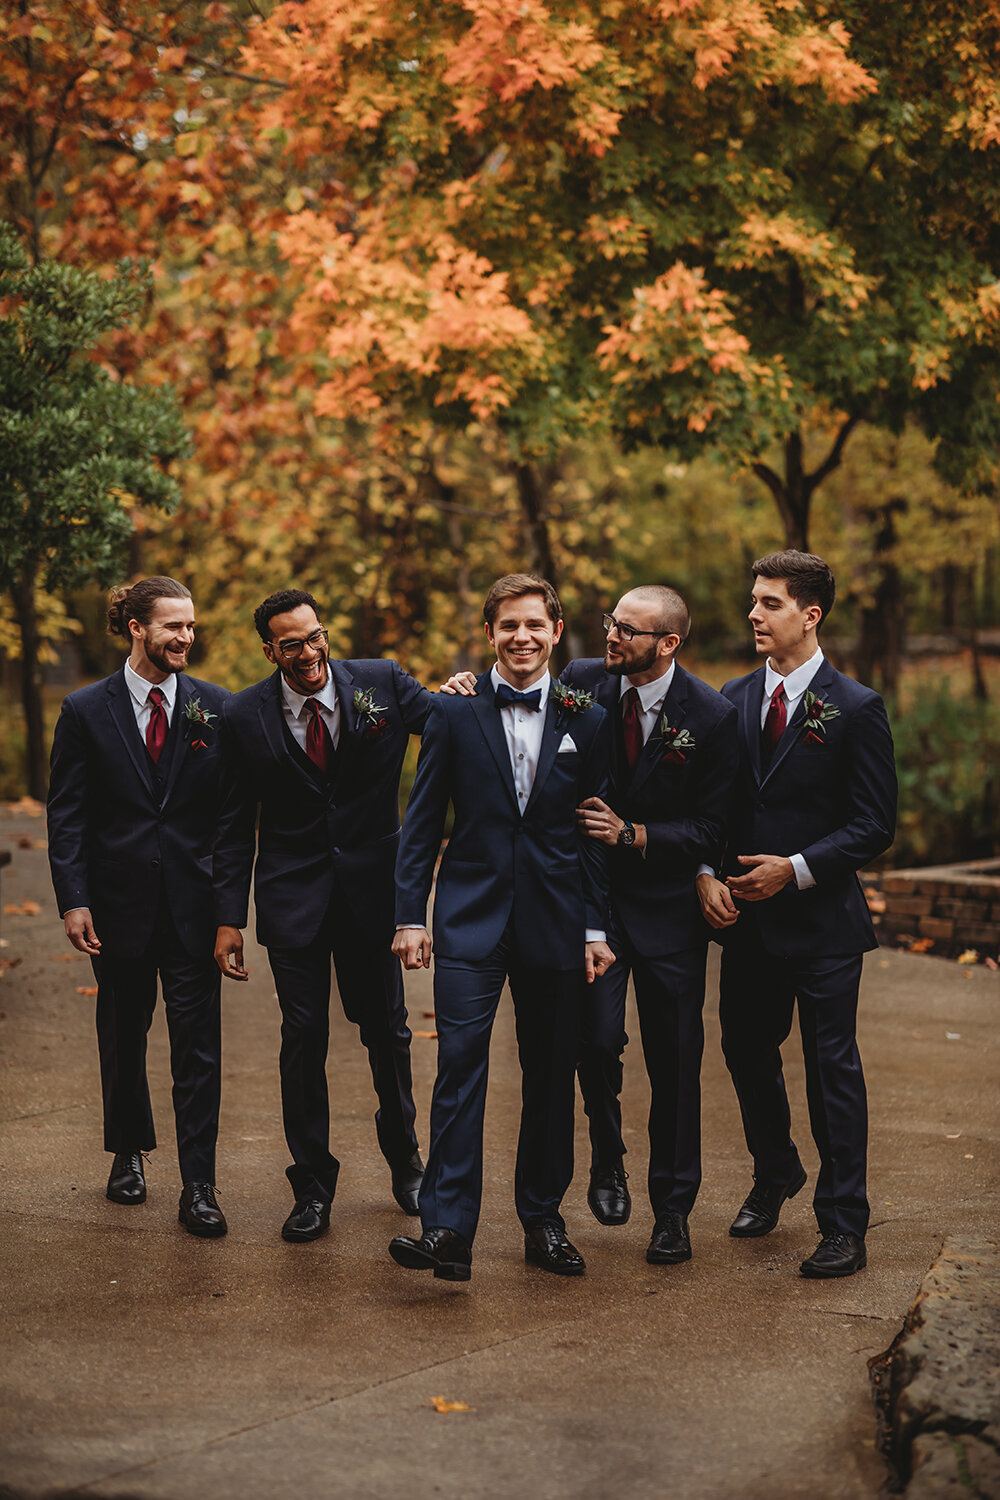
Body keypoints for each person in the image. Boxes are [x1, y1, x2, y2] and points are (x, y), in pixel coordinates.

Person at [389, 574, 614, 1284]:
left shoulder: (588, 716)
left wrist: (594, 927)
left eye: (535, 626)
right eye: (508, 626)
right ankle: (447, 1229)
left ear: (555, 634)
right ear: (489, 634)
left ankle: (542, 1220)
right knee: (458, 1068)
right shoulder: (452, 714)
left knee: (551, 1075)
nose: (522, 637)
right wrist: (408, 916)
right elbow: (421, 825)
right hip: (468, 919)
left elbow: (594, 834)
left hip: (556, 920)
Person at [697, 550, 896, 1279]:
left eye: (770, 602)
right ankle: (776, 1169)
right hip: (747, 922)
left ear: (809, 615)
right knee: (746, 1053)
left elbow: (875, 823)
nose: (754, 613)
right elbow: (713, 807)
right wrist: (704, 872)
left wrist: (797, 869)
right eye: (754, 599)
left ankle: (844, 1224)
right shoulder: (732, 697)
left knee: (829, 1068)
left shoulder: (858, 707)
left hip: (822, 927)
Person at [213, 589, 430, 1242]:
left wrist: (486, 690)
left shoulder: (382, 681)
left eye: (314, 638)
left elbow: (449, 725)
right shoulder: (243, 714)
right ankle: (311, 1185)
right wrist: (229, 916)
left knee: (387, 1034)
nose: (307, 654)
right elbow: (232, 822)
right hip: (293, 901)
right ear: (269, 650)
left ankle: (407, 1160)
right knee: (301, 1039)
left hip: (372, 898)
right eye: (290, 644)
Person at [47, 577, 229, 1237]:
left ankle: (201, 1184)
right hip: (117, 906)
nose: (185, 637)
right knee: (123, 1039)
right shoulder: (84, 710)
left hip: (194, 907)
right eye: (172, 626)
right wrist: (75, 900)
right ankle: (128, 1151)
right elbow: (66, 814)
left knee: (198, 1050)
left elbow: (237, 814)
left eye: (190, 626)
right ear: (136, 628)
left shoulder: (217, 708)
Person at [563, 586, 738, 1265]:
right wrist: (463, 690)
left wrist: (634, 833)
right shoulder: (581, 682)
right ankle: (607, 1157)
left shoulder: (712, 716)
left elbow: (712, 826)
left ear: (668, 644)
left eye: (627, 630)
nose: (611, 636)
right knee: (597, 1041)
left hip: (669, 912)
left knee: (675, 1063)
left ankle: (673, 1210)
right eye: (610, 622)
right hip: (595, 904)